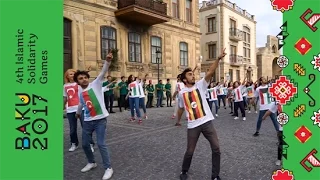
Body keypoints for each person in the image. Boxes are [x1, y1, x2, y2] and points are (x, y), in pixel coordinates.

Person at [177, 48, 226, 180]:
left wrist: (218, 59)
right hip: (193, 125)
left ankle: (215, 175)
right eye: (189, 75)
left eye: (192, 74)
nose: (192, 76)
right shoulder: (181, 94)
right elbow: (181, 108)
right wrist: (178, 120)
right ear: (184, 80)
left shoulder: (200, 85)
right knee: (190, 151)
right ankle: (184, 171)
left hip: (207, 122)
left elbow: (210, 71)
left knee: (216, 148)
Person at [75, 51, 114, 180]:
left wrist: (107, 61)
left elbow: (103, 72)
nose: (84, 79)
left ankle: (108, 168)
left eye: (85, 77)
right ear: (78, 82)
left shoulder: (95, 84)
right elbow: (81, 104)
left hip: (100, 120)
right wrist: (78, 113)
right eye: (80, 78)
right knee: (85, 144)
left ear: (88, 78)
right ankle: (91, 162)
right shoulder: (81, 93)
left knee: (101, 144)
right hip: (87, 121)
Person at [63, 69, 94, 152]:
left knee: (85, 127)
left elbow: (85, 85)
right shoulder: (65, 86)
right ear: (67, 76)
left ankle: (90, 143)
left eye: (73, 74)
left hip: (81, 108)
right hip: (70, 109)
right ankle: (74, 143)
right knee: (72, 129)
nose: (72, 75)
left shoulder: (79, 84)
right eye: (70, 74)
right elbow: (65, 97)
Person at [262, 102, 283, 166]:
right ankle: (279, 159)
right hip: (281, 128)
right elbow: (270, 111)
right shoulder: (276, 103)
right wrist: (264, 117)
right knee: (281, 144)